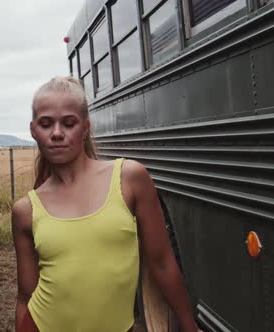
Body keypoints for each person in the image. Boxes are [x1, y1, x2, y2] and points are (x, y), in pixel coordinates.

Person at [11, 76, 201, 332]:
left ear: (85, 127)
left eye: (69, 123)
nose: (57, 133)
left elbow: (163, 263)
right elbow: (25, 295)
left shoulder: (129, 178)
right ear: (33, 130)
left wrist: (190, 327)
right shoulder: (26, 210)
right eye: (46, 124)